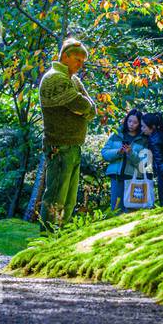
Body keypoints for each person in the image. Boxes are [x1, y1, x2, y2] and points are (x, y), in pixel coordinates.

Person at [38, 36, 97, 232]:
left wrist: (86, 107)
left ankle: (59, 240)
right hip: (60, 146)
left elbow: (91, 108)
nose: (80, 65)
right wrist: (85, 107)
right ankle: (46, 239)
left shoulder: (73, 79)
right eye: (77, 60)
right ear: (65, 56)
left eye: (83, 61)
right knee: (56, 197)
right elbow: (81, 104)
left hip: (73, 146)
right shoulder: (55, 78)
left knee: (70, 200)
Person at [101, 108, 150, 212]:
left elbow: (143, 163)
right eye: (129, 121)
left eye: (135, 122)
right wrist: (118, 152)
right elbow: (104, 153)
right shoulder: (117, 134)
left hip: (134, 179)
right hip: (116, 177)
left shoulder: (144, 139)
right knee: (116, 209)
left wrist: (130, 153)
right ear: (126, 120)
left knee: (131, 210)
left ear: (140, 124)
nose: (131, 124)